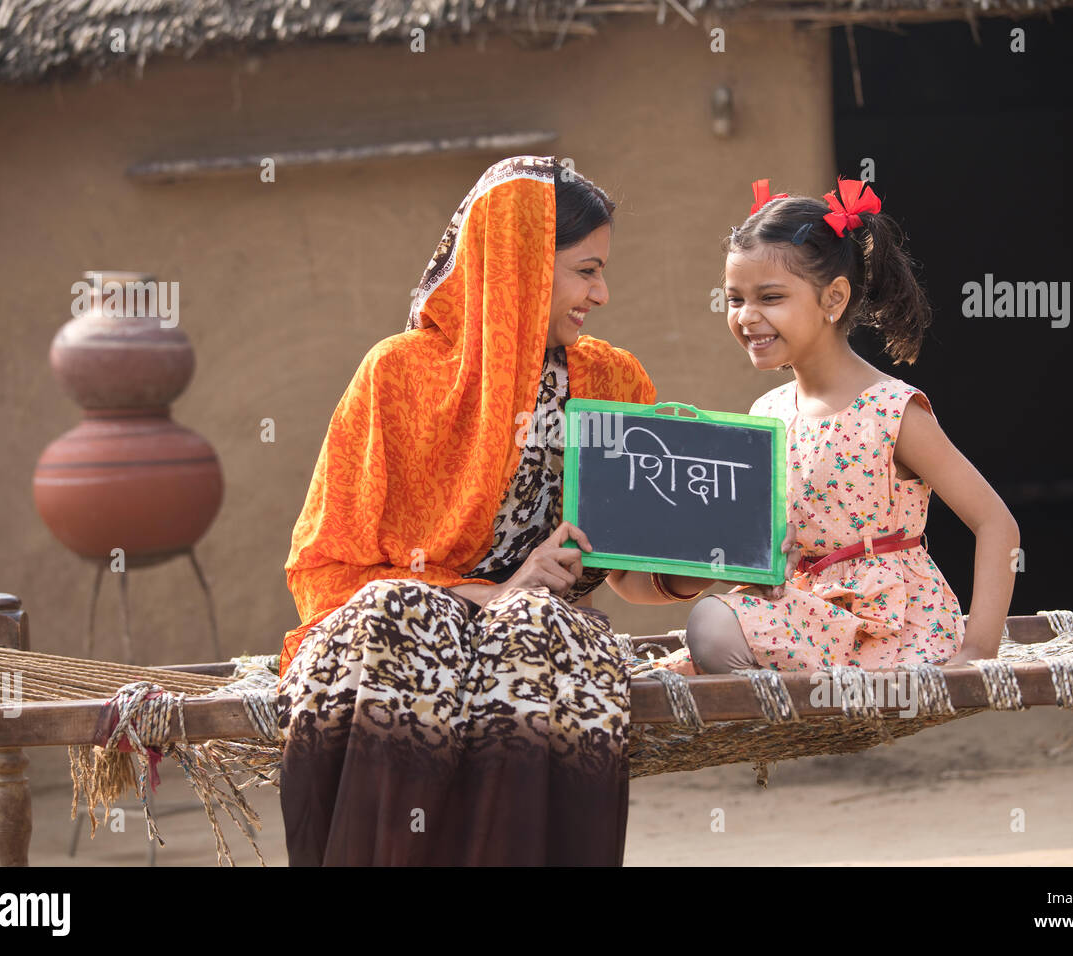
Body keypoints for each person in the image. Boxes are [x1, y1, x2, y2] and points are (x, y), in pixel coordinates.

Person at [275, 155, 698, 866]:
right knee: (404, 614)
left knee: (535, 624)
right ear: (522, 264)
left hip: (536, 635)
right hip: (406, 623)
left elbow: (623, 573)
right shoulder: (398, 376)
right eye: (586, 270)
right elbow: (326, 569)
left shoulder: (611, 383)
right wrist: (492, 592)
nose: (602, 292)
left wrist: (699, 569)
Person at [653, 177, 1020, 676]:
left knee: (711, 626)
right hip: (810, 614)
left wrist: (978, 651)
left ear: (833, 298)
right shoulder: (768, 413)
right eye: (735, 299)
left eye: (771, 297)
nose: (747, 317)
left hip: (888, 627)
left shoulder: (890, 410)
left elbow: (997, 523)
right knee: (706, 630)